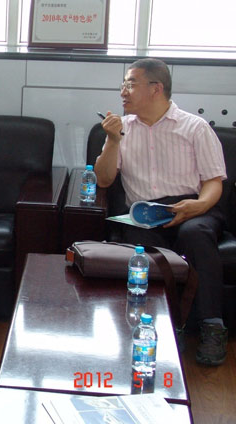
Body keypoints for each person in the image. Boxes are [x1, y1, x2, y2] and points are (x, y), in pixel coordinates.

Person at [94, 58, 228, 366]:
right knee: (142, 247)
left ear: (156, 89)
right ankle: (163, 327)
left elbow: (213, 182)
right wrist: (113, 140)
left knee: (195, 234)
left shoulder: (194, 127)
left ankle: (212, 326)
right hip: (144, 212)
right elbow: (103, 180)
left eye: (130, 84)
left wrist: (199, 205)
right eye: (123, 85)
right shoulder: (122, 129)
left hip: (193, 206)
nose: (123, 92)